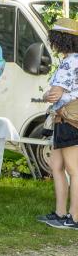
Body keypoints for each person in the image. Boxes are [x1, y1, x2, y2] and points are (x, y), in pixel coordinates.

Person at [38, 18, 78, 229]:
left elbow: (54, 95)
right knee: (57, 165)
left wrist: (45, 95)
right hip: (68, 119)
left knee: (73, 170)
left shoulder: (69, 62)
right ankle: (60, 213)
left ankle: (73, 217)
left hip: (68, 119)